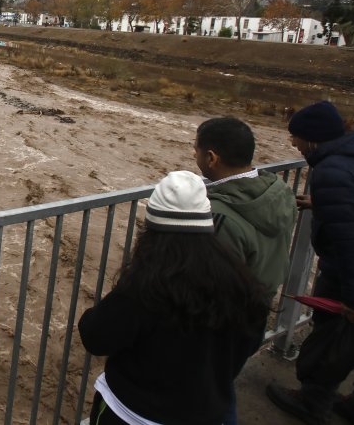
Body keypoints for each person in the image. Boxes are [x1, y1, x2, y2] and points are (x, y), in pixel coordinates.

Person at [78, 171, 268, 425]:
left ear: (152, 226)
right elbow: (250, 342)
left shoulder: (145, 286)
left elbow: (96, 337)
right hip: (205, 413)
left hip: (132, 414)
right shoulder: (242, 283)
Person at [266, 100, 354, 425]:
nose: (293, 144)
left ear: (313, 138)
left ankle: (315, 402)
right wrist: (324, 203)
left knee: (332, 335)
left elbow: (353, 241)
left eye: (296, 137)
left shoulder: (332, 171)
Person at [194, 117, 298, 425]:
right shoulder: (276, 194)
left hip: (221, 327)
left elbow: (211, 285)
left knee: (205, 393)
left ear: (211, 158)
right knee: (222, 385)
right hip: (255, 315)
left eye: (196, 150)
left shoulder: (221, 217)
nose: (194, 156)